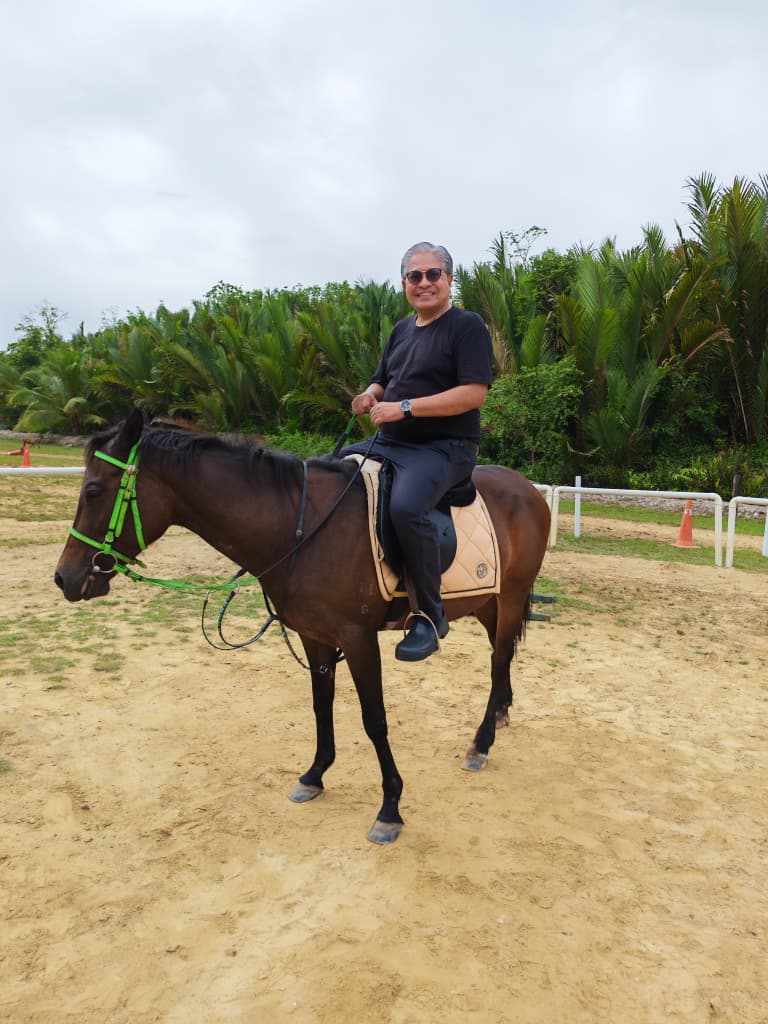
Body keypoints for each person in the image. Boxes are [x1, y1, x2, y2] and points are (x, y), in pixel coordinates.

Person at [341, 241, 493, 661]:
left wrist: (404, 408)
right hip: (393, 443)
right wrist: (369, 395)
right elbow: (382, 380)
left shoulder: (467, 326)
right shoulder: (401, 330)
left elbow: (473, 393)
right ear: (404, 282)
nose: (423, 282)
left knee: (407, 507)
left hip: (445, 447)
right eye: (414, 276)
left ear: (449, 279)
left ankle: (428, 615)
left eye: (432, 274)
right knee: (331, 473)